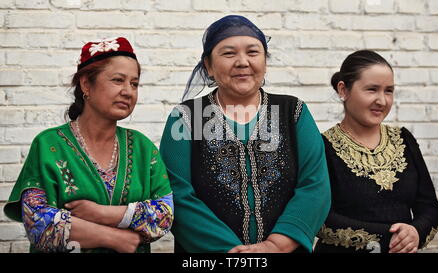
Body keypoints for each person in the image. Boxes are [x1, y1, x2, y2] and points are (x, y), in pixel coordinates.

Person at [159, 15, 331, 253]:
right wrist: (233, 253)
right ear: (208, 65)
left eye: (253, 52)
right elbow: (178, 194)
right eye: (229, 53)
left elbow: (315, 186)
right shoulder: (185, 118)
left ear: (265, 61)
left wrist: (276, 245)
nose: (242, 62)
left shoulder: (294, 112)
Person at [3, 37, 174, 253]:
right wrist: (117, 238)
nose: (128, 91)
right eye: (118, 80)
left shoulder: (143, 147)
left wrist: (100, 213)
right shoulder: (49, 144)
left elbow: (164, 216)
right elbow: (39, 223)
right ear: (86, 84)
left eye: (134, 83)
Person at [314, 50, 438, 253]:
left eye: (389, 91)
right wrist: (391, 237)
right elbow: (318, 217)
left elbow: (430, 206)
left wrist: (415, 231)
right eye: (372, 89)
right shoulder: (321, 146)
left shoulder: (403, 139)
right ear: (343, 90)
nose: (382, 101)